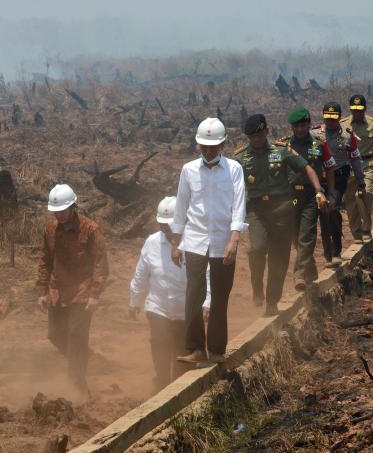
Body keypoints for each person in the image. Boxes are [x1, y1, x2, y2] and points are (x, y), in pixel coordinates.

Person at [171, 117, 247, 365]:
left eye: (213, 146)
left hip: (223, 240)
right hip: (194, 239)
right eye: (204, 146)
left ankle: (216, 349)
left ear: (223, 144)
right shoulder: (189, 170)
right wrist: (176, 240)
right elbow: (181, 206)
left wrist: (234, 239)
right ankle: (195, 348)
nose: (208, 150)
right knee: (193, 294)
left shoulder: (234, 169)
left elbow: (239, 206)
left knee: (220, 296)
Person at [235, 114, 328, 316]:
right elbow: (232, 187)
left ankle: (272, 302)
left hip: (281, 210)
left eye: (260, 135)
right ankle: (257, 286)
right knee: (258, 248)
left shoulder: (282, 150)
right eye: (252, 137)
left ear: (267, 131)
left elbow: (307, 167)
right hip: (256, 211)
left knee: (279, 258)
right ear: (248, 137)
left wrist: (319, 190)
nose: (257, 140)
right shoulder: (241, 157)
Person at [129, 196, 211, 389]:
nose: (166, 230)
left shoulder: (197, 242)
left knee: (181, 355)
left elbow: (208, 275)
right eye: (162, 225)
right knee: (159, 344)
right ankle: (161, 383)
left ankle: (179, 391)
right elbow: (141, 273)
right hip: (159, 306)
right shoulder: (152, 243)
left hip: (186, 311)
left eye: (170, 225)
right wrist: (134, 300)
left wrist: (208, 302)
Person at [35, 184, 109, 397]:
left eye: (62, 210)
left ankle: (78, 386)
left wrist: (95, 294)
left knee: (76, 337)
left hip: (82, 291)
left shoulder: (90, 229)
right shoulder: (50, 230)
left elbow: (100, 263)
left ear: (73, 207)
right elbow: (45, 260)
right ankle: (85, 358)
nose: (58, 215)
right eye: (55, 211)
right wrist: (42, 291)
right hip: (58, 291)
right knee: (55, 335)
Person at [278, 107, 335, 291]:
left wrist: (329, 193)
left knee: (307, 235)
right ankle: (310, 271)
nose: (300, 130)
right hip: (292, 196)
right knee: (296, 237)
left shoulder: (319, 144)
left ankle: (299, 274)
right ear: (292, 128)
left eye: (303, 125)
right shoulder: (283, 146)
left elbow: (329, 169)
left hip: (312, 195)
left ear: (309, 124)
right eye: (296, 126)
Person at [313, 102, 366, 267]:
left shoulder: (348, 136)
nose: (330, 122)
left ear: (339, 117)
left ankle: (336, 251)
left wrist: (360, 181)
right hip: (320, 177)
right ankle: (329, 254)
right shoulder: (314, 134)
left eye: (333, 119)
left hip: (339, 177)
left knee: (332, 206)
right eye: (327, 118)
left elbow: (355, 159)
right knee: (324, 211)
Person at [340, 94, 373, 242]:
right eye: (354, 110)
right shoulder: (343, 124)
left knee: (363, 195)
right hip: (349, 167)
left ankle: (366, 228)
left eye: (360, 110)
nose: (357, 113)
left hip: (367, 165)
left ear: (365, 109)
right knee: (350, 201)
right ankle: (356, 234)